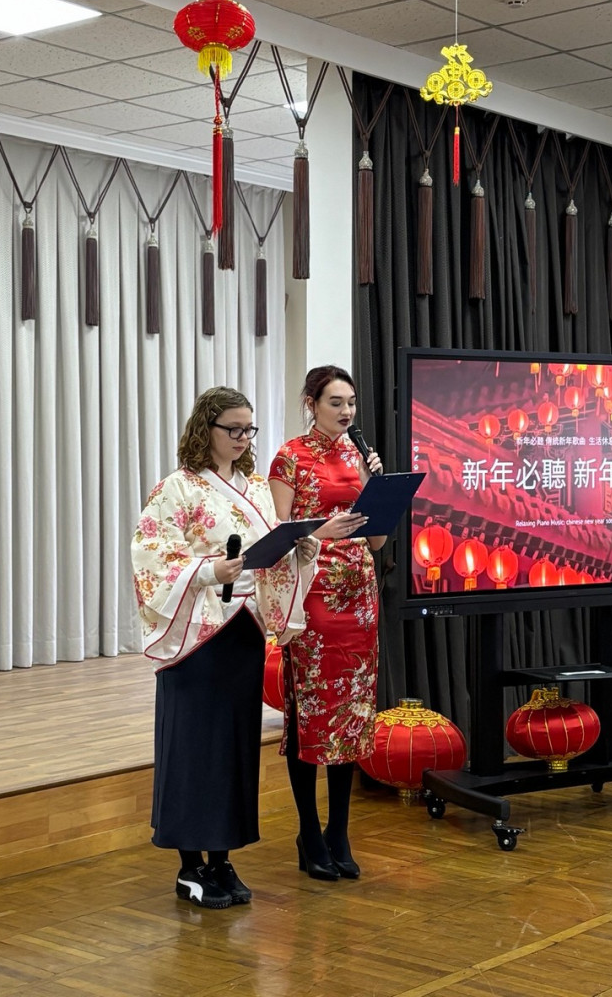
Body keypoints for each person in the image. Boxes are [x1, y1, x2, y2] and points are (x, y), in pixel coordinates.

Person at [131, 387, 318, 908]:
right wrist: (208, 571)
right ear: (206, 429)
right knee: (193, 747)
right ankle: (189, 864)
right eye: (232, 429)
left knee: (233, 746)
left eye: (248, 429)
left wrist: (299, 549)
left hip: (243, 629)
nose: (242, 438)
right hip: (197, 635)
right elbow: (151, 557)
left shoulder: (255, 488)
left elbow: (270, 550)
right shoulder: (176, 488)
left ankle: (222, 858)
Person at [269, 365, 387, 881]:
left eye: (351, 403)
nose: (346, 411)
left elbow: (377, 541)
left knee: (351, 714)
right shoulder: (289, 457)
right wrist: (324, 530)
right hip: (314, 594)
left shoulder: (360, 456)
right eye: (336, 402)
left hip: (360, 595)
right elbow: (277, 537)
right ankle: (308, 832)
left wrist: (375, 483)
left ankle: (339, 830)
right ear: (311, 404)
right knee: (313, 713)